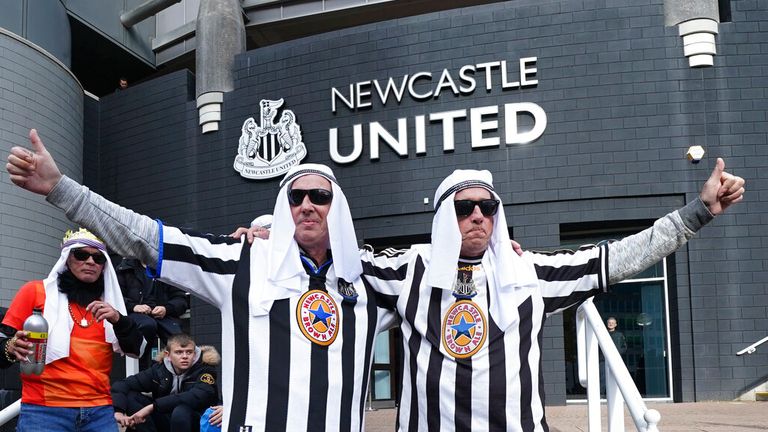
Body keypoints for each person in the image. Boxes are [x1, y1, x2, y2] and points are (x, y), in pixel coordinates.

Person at [6, 129, 397, 431]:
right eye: (296, 198)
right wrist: (62, 190)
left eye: (319, 196)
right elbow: (147, 237)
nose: (307, 205)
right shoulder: (242, 263)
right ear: (284, 208)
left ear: (338, 208)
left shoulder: (370, 280)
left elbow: (444, 275)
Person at [358, 165, 743, 430]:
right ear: (443, 215)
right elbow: (334, 266)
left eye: (487, 206)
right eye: (464, 207)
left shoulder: (527, 271)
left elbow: (611, 260)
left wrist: (700, 212)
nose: (478, 215)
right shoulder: (407, 271)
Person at [0, 227, 145, 431]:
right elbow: (2, 346)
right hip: (44, 412)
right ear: (67, 259)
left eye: (98, 258)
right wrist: (11, 347)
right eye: (81, 254)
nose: (90, 261)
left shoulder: (110, 305)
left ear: (104, 266)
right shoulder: (35, 292)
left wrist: (118, 319)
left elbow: (137, 349)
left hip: (99, 412)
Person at [112, 333, 219, 431]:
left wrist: (153, 407)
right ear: (168, 355)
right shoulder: (159, 370)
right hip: (166, 420)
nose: (185, 356)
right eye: (179, 352)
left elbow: (197, 396)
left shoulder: (205, 370)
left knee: (181, 411)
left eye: (189, 352)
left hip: (196, 422)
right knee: (132, 396)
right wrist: (118, 411)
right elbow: (122, 384)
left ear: (194, 354)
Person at [116, 257, 188, 368]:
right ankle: (144, 368)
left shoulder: (168, 268)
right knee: (147, 326)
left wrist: (166, 309)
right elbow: (116, 297)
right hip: (136, 315)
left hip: (163, 316)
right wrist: (134, 306)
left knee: (180, 341)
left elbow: (181, 300)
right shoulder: (124, 268)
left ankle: (179, 373)